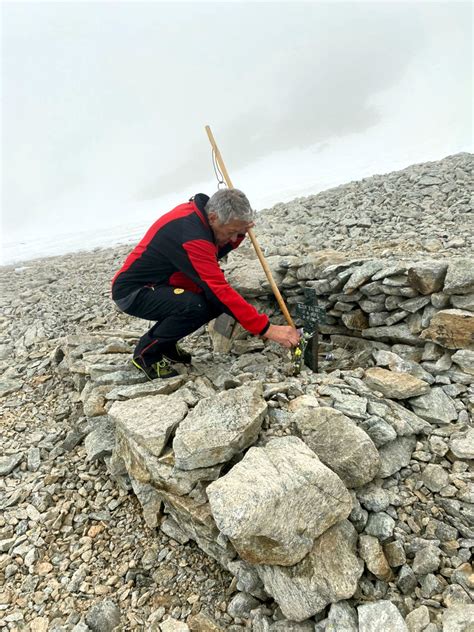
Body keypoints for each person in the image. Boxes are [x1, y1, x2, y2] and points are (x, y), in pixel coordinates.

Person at [111, 189, 301, 379]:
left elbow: (216, 246)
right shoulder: (191, 233)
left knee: (210, 305)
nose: (234, 238)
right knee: (198, 305)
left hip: (164, 283)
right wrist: (267, 329)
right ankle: (146, 354)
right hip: (133, 292)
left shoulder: (201, 219)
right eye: (232, 232)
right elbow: (218, 289)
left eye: (238, 233)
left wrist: (241, 233)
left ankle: (166, 344)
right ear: (213, 217)